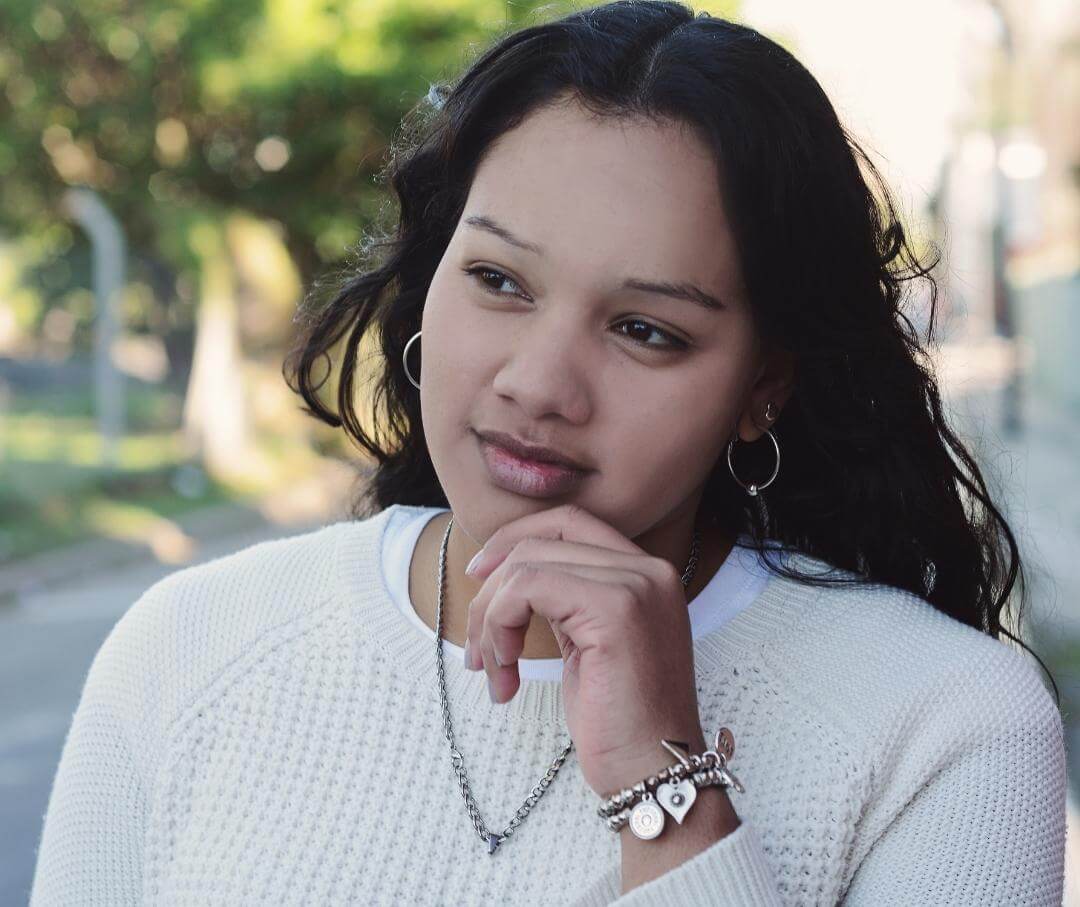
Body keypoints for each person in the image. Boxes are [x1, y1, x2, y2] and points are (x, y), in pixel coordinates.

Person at [30, 2, 1066, 904]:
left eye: (646, 330)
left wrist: (666, 787)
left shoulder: (947, 726)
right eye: (499, 280)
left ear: (763, 388)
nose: (537, 382)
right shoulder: (190, 649)